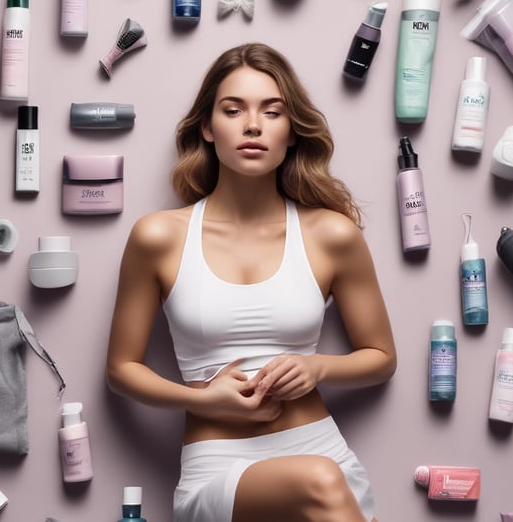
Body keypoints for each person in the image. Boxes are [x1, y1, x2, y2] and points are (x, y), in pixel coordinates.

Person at [106, 43, 396, 522]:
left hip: (321, 449)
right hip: (217, 471)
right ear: (207, 127)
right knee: (319, 480)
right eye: (233, 109)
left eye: (273, 111)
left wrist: (318, 368)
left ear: (291, 131)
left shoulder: (331, 234)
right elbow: (121, 370)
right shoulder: (158, 236)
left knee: (323, 476)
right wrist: (201, 397)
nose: (253, 125)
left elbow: (382, 358)